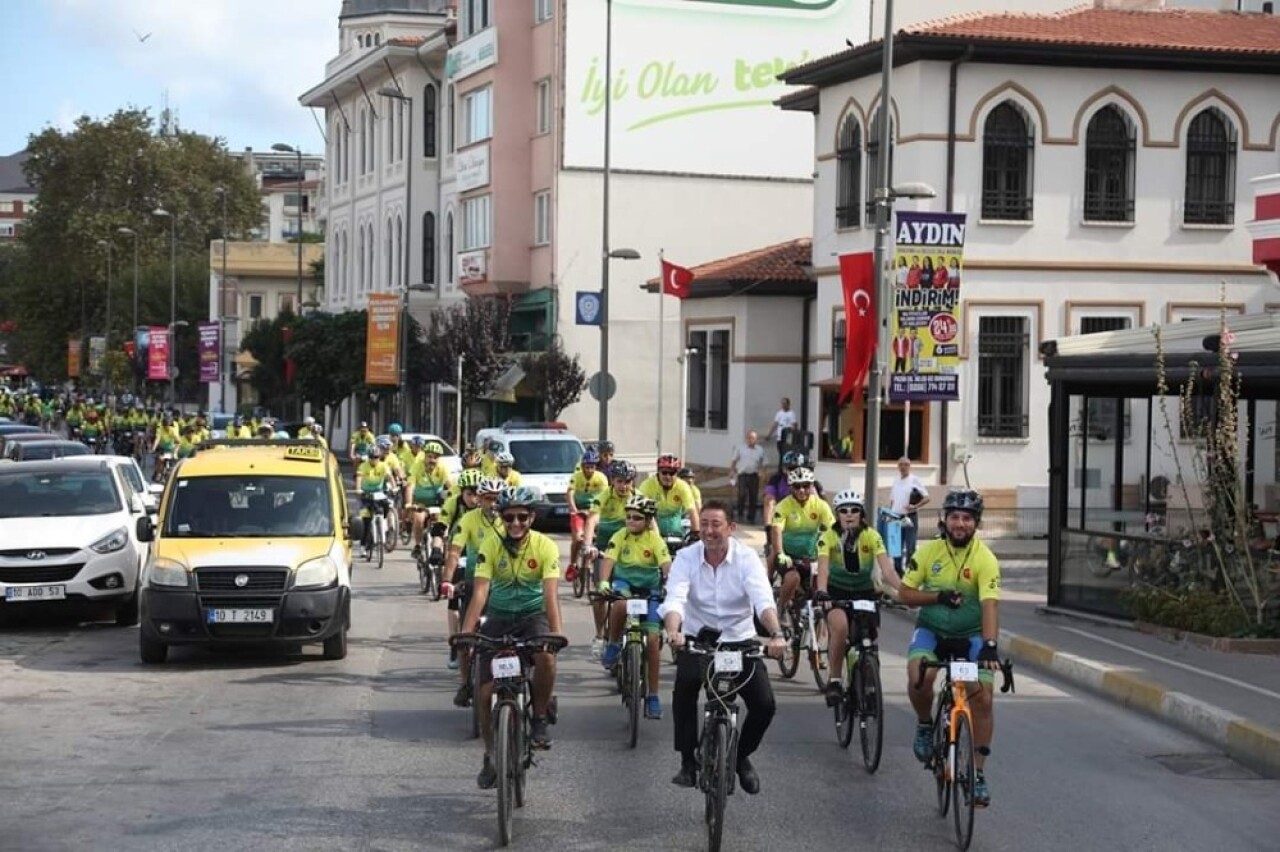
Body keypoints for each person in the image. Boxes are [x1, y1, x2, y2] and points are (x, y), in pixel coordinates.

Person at [660, 500, 787, 795]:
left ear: (731, 528)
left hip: (739, 641)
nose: (708, 531)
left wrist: (777, 634)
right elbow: (675, 597)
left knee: (764, 705)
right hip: (698, 640)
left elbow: (762, 600)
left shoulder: (746, 558)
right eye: (703, 524)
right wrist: (673, 631)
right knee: (684, 690)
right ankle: (687, 761)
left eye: (716, 524)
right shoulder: (686, 557)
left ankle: (741, 757)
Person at [898, 489, 1002, 808]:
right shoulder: (929, 553)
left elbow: (989, 605)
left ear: (976, 524)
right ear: (945, 520)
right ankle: (925, 725)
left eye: (967, 518)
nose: (960, 523)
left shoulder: (985, 558)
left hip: (970, 636)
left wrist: (989, 646)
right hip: (932, 631)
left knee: (982, 698)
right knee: (920, 676)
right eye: (955, 517)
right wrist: (938, 597)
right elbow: (905, 593)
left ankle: (978, 775)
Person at [463, 485, 564, 789]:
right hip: (499, 617)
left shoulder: (545, 546)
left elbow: (550, 594)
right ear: (502, 518)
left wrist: (556, 633)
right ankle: (491, 753)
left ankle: (541, 716)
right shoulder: (490, 545)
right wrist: (466, 633)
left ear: (532, 517)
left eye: (522, 517)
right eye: (509, 518)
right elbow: (480, 592)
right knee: (483, 693)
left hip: (533, 616)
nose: (516, 523)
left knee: (545, 656)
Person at [814, 490, 901, 706]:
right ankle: (834, 680)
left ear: (861, 514)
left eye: (854, 510)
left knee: (870, 638)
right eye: (844, 511)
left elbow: (887, 570)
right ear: (837, 514)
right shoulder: (828, 537)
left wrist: (905, 592)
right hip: (836, 592)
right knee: (841, 628)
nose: (849, 514)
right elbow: (823, 569)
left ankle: (869, 678)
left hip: (864, 592)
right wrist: (822, 590)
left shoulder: (872, 535)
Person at [598, 494, 671, 719]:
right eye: (628, 517)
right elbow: (608, 560)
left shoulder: (655, 540)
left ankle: (653, 695)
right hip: (625, 583)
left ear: (648, 521)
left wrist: (670, 582)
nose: (631, 521)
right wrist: (603, 581)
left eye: (637, 518)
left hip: (650, 589)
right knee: (619, 605)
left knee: (653, 639)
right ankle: (613, 644)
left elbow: (666, 565)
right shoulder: (620, 535)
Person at [447, 476, 505, 707]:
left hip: (502, 584)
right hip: (473, 582)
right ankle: (464, 683)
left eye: (496, 499)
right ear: (479, 499)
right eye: (487, 498)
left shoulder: (510, 520)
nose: (492, 503)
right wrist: (446, 580)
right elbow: (454, 552)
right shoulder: (469, 519)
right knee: (465, 637)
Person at [582, 460, 637, 658]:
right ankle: (600, 636)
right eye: (620, 481)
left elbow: (651, 525)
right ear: (613, 481)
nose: (624, 486)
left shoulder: (639, 498)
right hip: (604, 548)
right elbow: (592, 520)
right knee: (601, 593)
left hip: (630, 550)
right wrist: (589, 545)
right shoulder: (603, 496)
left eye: (628, 481)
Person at [769, 466, 836, 620]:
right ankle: (780, 608)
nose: (802, 490)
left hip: (811, 556)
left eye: (806, 485)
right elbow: (777, 531)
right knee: (793, 578)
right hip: (789, 555)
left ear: (812, 486)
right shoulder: (783, 506)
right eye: (797, 486)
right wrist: (780, 554)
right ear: (791, 487)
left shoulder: (821, 506)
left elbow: (833, 532)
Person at [441, 468, 486, 670]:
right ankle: (454, 642)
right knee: (454, 598)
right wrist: (446, 580)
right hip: (459, 552)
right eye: (470, 493)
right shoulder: (454, 504)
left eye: (478, 493)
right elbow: (440, 528)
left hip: (484, 558)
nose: (474, 498)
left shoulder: (489, 512)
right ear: (462, 493)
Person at [566, 448, 608, 583]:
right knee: (578, 538)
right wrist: (573, 509)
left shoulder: (601, 478)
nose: (590, 470)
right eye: (587, 467)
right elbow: (570, 493)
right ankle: (572, 564)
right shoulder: (576, 476)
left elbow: (605, 497)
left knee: (597, 536)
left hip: (593, 510)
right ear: (583, 466)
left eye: (592, 467)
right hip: (578, 510)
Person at [637, 453, 700, 541]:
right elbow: (639, 511)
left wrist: (696, 533)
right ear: (658, 472)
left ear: (677, 474)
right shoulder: (647, 485)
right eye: (664, 473)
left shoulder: (683, 486)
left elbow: (692, 510)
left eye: (672, 473)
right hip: (653, 524)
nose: (668, 476)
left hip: (675, 528)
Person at [886, 456, 929, 574]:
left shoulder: (914, 480)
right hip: (896, 517)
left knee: (910, 546)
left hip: (909, 517)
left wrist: (915, 506)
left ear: (910, 466)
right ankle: (898, 571)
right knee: (896, 547)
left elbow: (927, 498)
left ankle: (910, 571)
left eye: (906, 465)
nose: (903, 467)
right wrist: (890, 514)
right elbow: (892, 500)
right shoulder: (896, 480)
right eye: (901, 465)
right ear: (898, 467)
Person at [728, 430, 766, 524]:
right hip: (742, 475)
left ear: (756, 439)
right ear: (746, 438)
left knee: (753, 496)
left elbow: (764, 462)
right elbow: (734, 460)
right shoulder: (740, 448)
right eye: (749, 437)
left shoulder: (760, 450)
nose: (751, 440)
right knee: (742, 495)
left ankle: (751, 517)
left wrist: (762, 472)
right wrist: (732, 471)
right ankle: (740, 514)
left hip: (754, 475)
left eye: (753, 438)